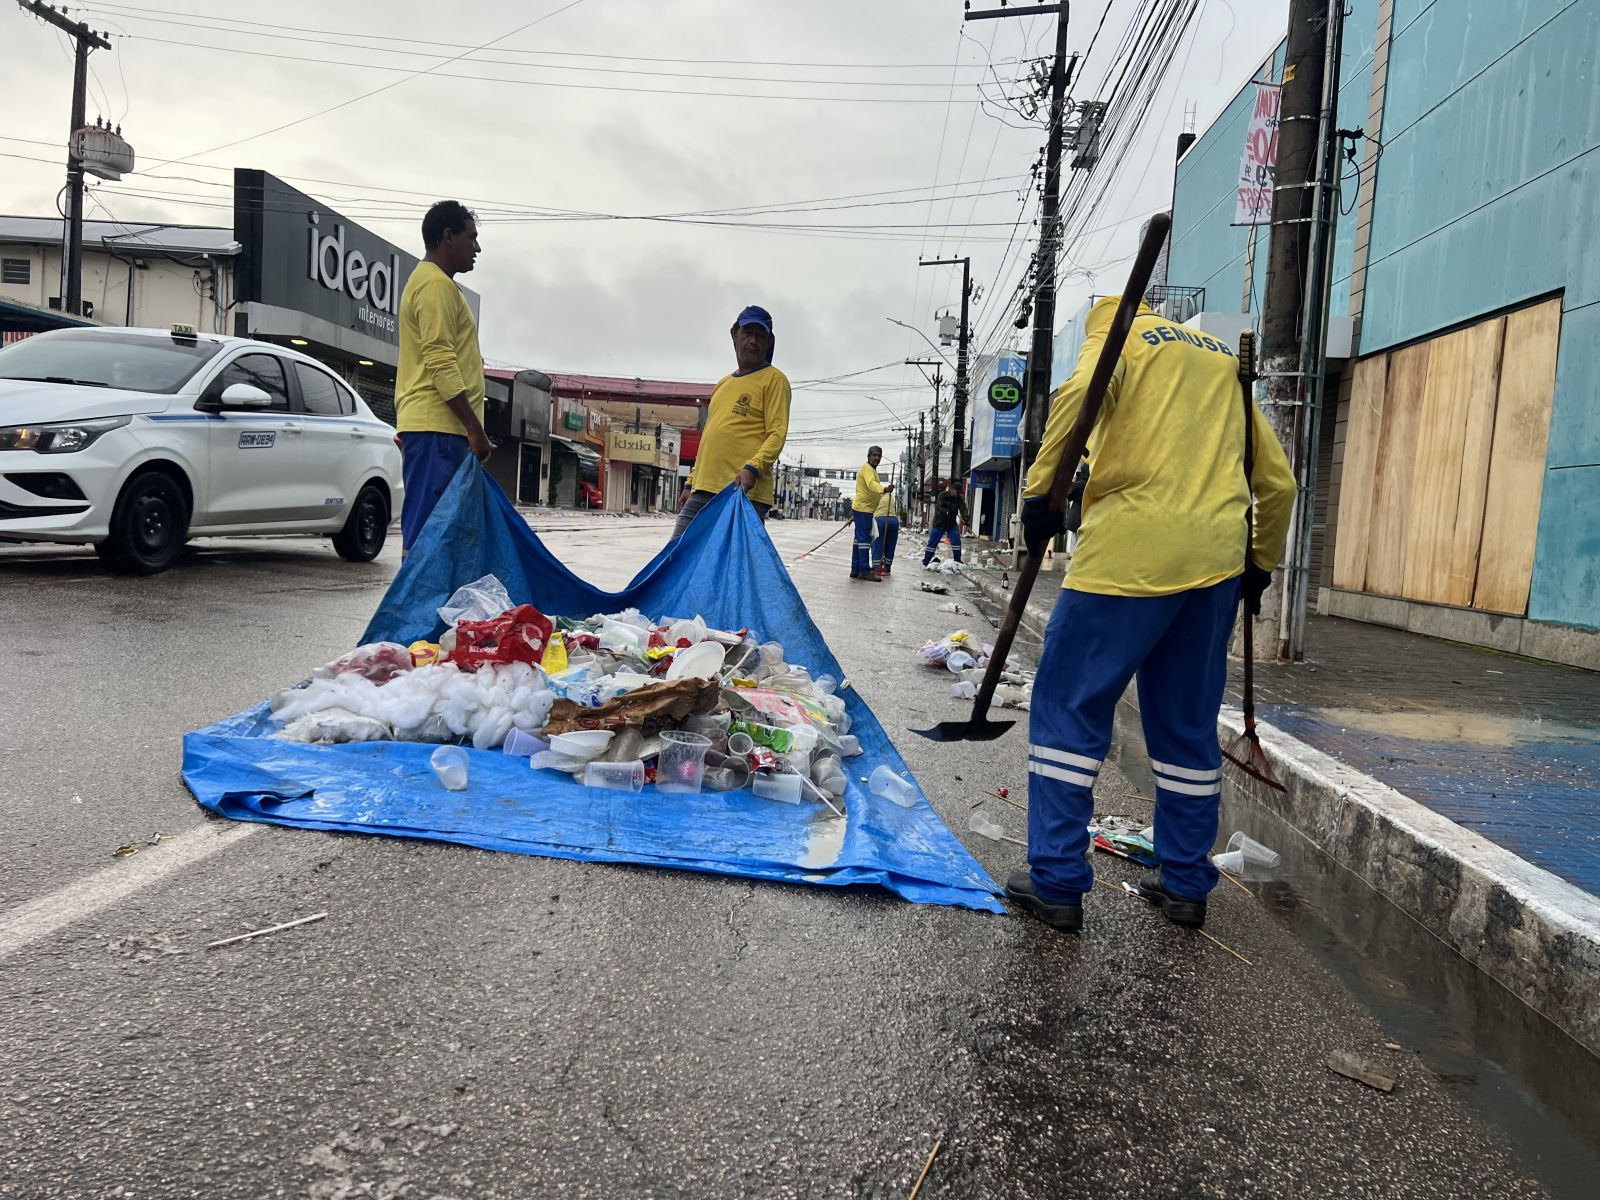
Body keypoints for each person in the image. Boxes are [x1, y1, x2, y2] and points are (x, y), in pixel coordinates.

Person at [1005, 295, 1294, 934]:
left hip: (1126, 558)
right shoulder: (1222, 362)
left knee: (1069, 709)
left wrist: (1039, 494)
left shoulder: (1118, 338)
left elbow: (1080, 401)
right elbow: (1278, 485)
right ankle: (1187, 884)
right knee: (1187, 730)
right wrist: (1259, 563)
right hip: (1216, 565)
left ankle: (1056, 881)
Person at [395, 200, 488, 554]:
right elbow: (440, 360)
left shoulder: (438, 285)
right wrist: (473, 428)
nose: (477, 248)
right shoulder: (435, 287)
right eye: (471, 237)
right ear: (447, 236)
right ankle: (409, 609)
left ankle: (425, 607)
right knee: (426, 539)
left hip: (440, 432)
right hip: (439, 431)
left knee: (439, 537)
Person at [673, 305, 791, 538]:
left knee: (732, 568)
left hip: (742, 492)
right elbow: (709, 439)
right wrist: (690, 483)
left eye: (760, 335)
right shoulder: (723, 384)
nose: (753, 341)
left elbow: (777, 434)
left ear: (769, 342)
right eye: (748, 333)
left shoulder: (774, 380)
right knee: (675, 558)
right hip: (702, 490)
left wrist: (753, 468)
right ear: (734, 335)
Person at [850, 446, 884, 581]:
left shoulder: (871, 470)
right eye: (874, 455)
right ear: (868, 456)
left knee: (859, 539)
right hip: (863, 509)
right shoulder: (867, 469)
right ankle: (864, 570)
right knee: (864, 540)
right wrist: (884, 489)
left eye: (879, 455)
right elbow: (871, 485)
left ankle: (856, 568)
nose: (876, 458)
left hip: (863, 509)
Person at [922, 479, 970, 566]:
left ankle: (957, 560)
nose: (957, 494)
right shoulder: (943, 495)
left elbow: (963, 508)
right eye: (956, 491)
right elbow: (939, 506)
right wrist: (947, 511)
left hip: (951, 523)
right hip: (939, 522)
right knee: (933, 542)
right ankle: (926, 561)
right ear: (951, 489)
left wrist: (966, 518)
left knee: (956, 541)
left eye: (958, 492)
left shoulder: (958, 498)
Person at [871, 482, 900, 576]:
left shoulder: (876, 495)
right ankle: (887, 568)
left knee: (877, 543)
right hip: (894, 521)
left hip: (880, 520)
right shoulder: (891, 496)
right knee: (890, 544)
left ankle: (876, 567)